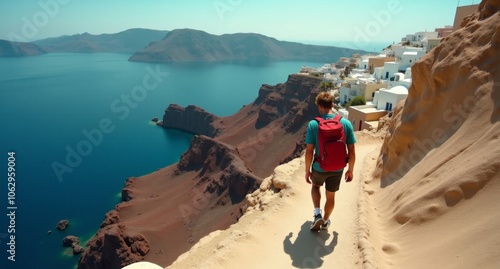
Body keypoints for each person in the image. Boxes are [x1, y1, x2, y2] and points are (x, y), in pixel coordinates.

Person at [305, 92, 356, 231]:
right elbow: (351, 151)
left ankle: (317, 214)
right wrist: (350, 170)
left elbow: (309, 151)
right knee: (331, 195)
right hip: (338, 168)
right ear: (332, 104)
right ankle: (326, 221)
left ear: (320, 107)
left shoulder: (313, 124)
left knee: (315, 187)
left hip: (319, 167)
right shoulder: (345, 123)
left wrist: (307, 171)